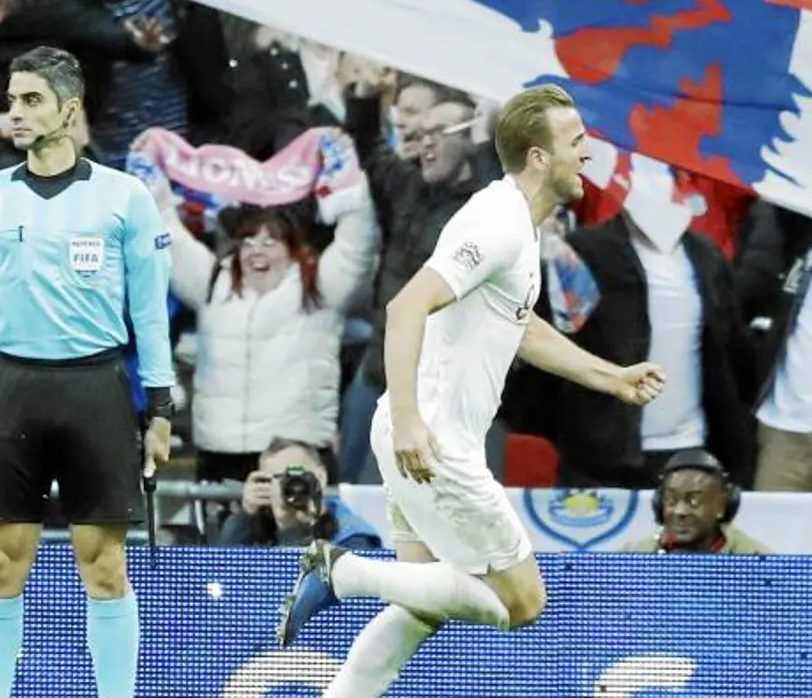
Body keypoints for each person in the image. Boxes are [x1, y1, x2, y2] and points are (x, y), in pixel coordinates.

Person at [276, 83, 667, 698]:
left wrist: (610, 376)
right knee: (521, 603)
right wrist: (411, 420)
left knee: (420, 607)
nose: (587, 152)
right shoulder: (498, 222)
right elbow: (406, 306)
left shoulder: (516, 223)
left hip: (415, 433)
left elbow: (522, 326)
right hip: (432, 441)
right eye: (575, 141)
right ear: (539, 157)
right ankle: (345, 571)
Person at [0, 46, 177, 698]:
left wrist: (161, 409)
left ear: (70, 109)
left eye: (31, 99)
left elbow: (151, 316)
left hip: (96, 390)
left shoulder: (125, 197)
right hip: (12, 391)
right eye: (11, 99)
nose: (16, 112)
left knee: (106, 567)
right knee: (3, 564)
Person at [215, 438, 381, 550]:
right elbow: (222, 578)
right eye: (280, 477)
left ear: (321, 478)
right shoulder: (256, 528)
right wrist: (244, 517)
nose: (292, 487)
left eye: (297, 477)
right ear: (265, 484)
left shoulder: (351, 537)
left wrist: (298, 530)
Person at [619, 449, 770, 554]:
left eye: (694, 501)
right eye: (671, 500)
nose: (680, 511)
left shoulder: (756, 562)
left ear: (722, 505)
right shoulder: (634, 558)